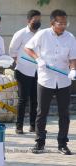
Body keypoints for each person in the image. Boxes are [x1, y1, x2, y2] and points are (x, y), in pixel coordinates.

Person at [25, 9, 76, 155]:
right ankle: (40, 143)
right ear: (53, 22)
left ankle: (62, 144)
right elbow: (28, 48)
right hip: (45, 79)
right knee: (42, 112)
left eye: (66, 23)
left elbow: (73, 58)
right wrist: (38, 59)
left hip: (63, 80)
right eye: (61, 23)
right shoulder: (43, 34)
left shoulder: (70, 37)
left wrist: (73, 69)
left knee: (64, 113)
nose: (64, 26)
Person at [9, 10, 41, 134]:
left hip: (37, 71)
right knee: (23, 99)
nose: (37, 22)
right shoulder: (21, 33)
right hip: (23, 70)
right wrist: (19, 61)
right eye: (35, 20)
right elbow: (12, 50)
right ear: (28, 21)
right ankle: (19, 126)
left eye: (39, 20)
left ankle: (34, 126)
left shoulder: (41, 34)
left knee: (35, 99)